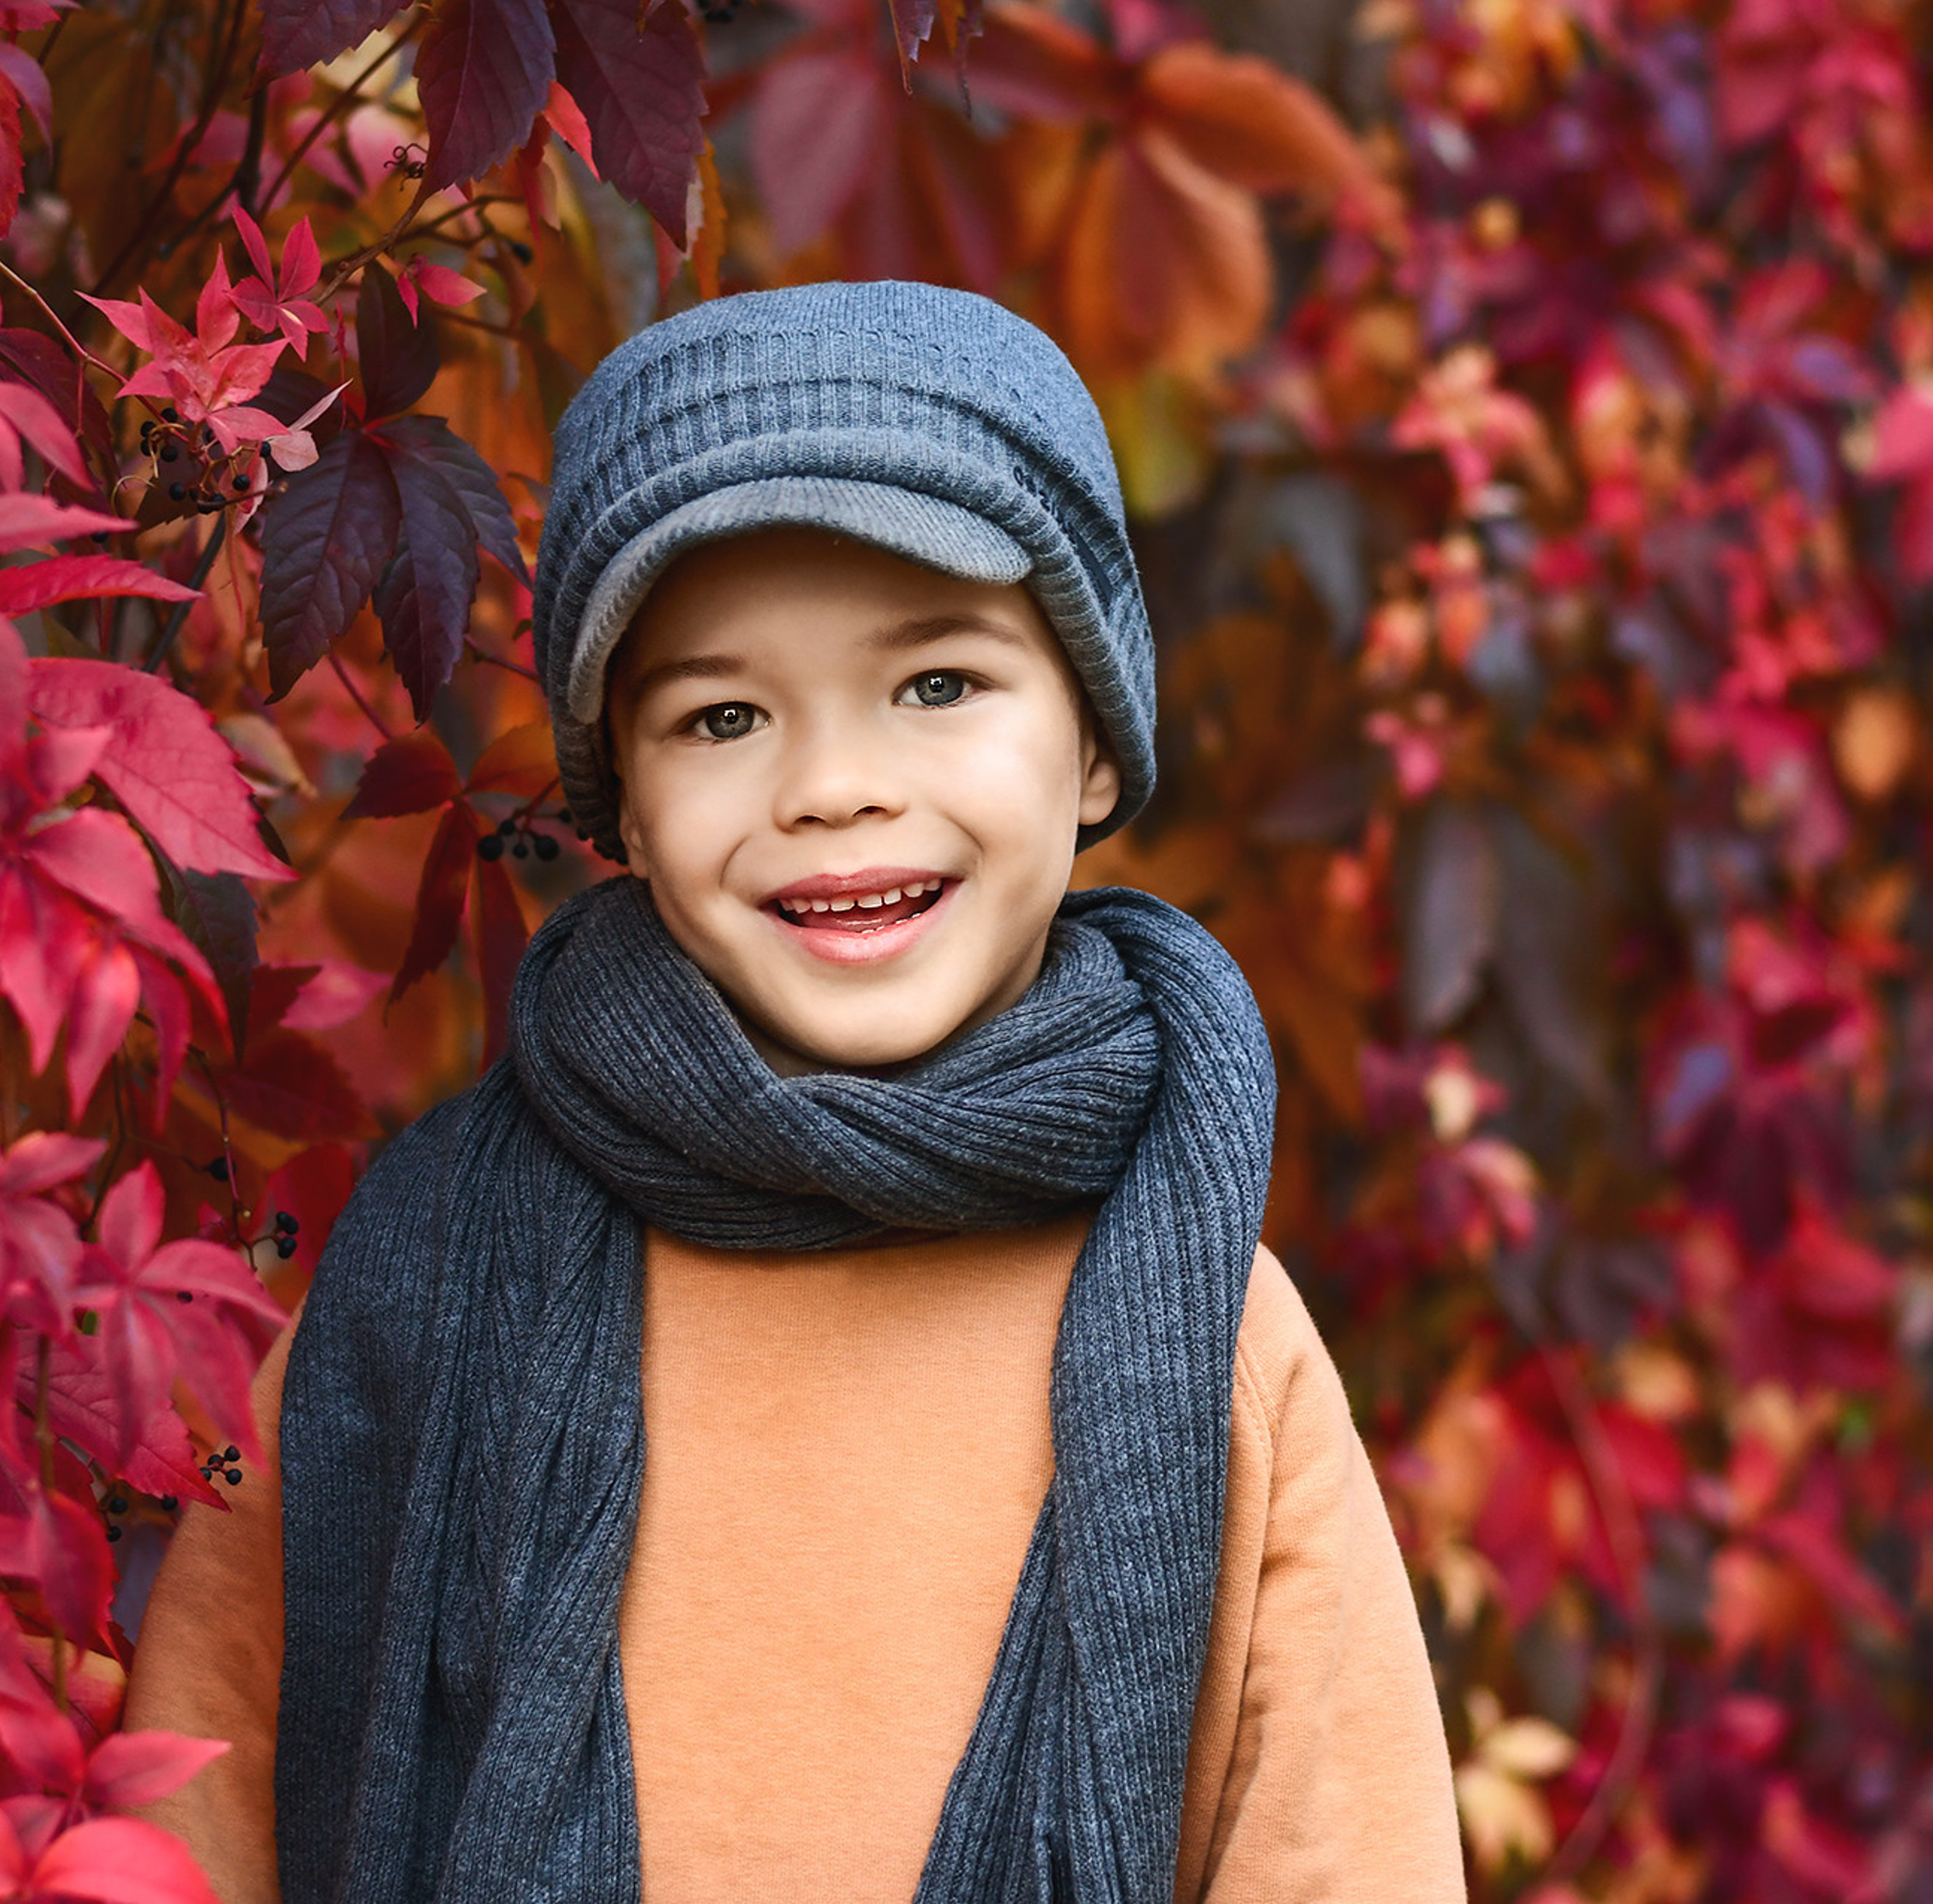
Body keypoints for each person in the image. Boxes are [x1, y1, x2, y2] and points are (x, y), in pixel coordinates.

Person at [124, 281, 1466, 1904]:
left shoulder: (1209, 1338)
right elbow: (194, 1818)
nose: (832, 783)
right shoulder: (420, 1290)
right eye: (724, 714)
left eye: (937, 684)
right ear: (621, 791)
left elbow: (1340, 1855)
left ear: (1096, 745)